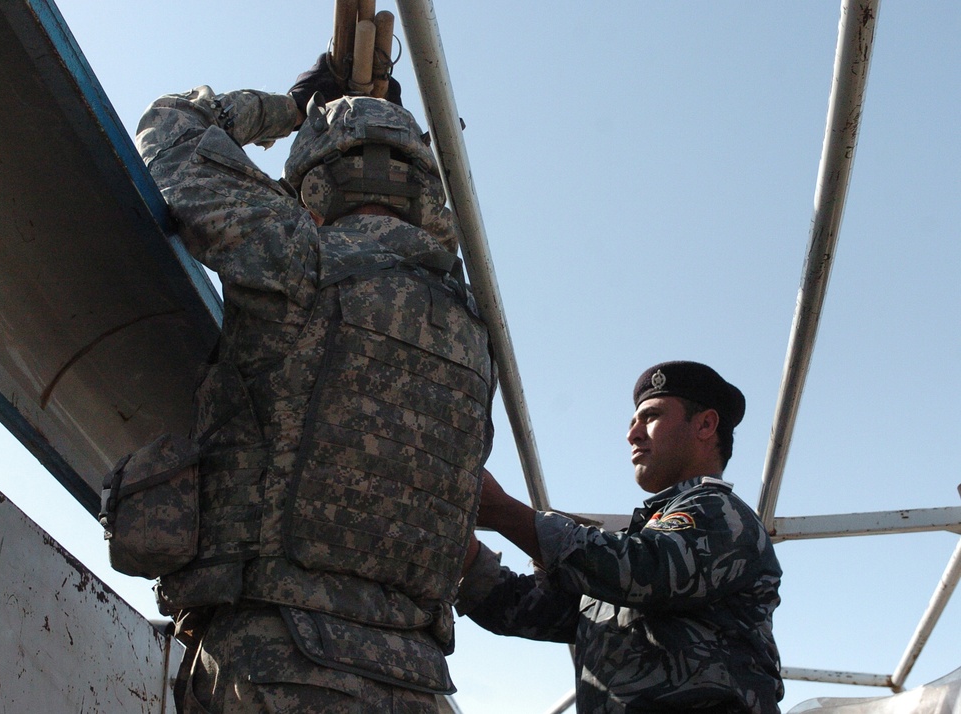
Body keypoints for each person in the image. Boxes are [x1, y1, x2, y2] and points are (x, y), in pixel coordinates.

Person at [132, 56, 495, 712]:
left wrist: (293, 107)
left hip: (278, 663)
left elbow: (171, 129)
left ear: (315, 189)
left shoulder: (295, 254)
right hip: (422, 681)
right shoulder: (471, 330)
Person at [459, 361, 783, 713]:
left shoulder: (722, 514)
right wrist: (465, 547)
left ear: (705, 425)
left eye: (651, 417)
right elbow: (530, 611)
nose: (633, 434)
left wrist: (503, 511)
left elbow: (643, 570)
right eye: (633, 422)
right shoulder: (637, 547)